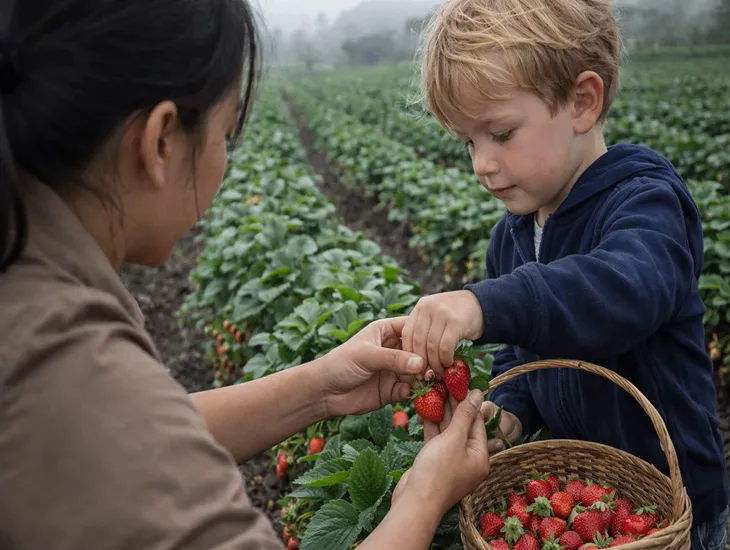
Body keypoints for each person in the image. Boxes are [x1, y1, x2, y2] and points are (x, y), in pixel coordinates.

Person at [0, 1, 492, 549]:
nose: (225, 157)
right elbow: (112, 423)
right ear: (160, 142)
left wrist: (321, 388)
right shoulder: (61, 361)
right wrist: (423, 497)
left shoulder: (26, 283)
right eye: (226, 135)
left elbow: (118, 440)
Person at [403, 0, 730, 547]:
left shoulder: (646, 204)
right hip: (588, 501)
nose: (480, 163)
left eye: (501, 134)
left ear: (582, 102)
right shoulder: (510, 236)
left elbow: (620, 291)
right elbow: (521, 355)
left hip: (678, 509)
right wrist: (509, 414)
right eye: (468, 141)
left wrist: (486, 304)